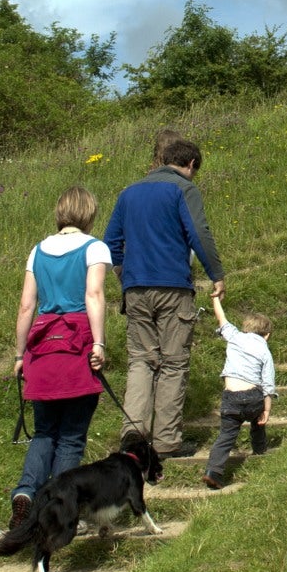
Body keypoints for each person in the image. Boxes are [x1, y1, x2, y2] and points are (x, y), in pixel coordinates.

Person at [102, 136, 223, 459]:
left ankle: (133, 436)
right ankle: (167, 441)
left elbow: (110, 242)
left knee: (140, 361)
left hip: (136, 289)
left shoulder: (129, 193)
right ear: (191, 165)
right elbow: (199, 233)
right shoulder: (184, 189)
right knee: (172, 363)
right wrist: (217, 274)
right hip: (173, 287)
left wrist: (123, 275)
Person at [3, 186, 109, 529]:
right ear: (89, 213)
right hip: (76, 342)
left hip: (43, 345)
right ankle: (59, 505)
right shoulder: (94, 247)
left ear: (60, 212)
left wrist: (20, 354)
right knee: (72, 437)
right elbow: (93, 294)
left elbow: (26, 305)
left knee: (45, 432)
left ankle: (25, 492)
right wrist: (99, 344)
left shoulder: (38, 251)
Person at [202, 286, 276, 488]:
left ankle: (213, 471)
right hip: (253, 397)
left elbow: (221, 318)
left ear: (246, 328)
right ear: (267, 335)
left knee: (226, 436)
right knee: (258, 422)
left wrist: (216, 298)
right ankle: (260, 452)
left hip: (231, 397)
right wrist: (267, 409)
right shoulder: (264, 350)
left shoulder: (234, 336)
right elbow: (268, 383)